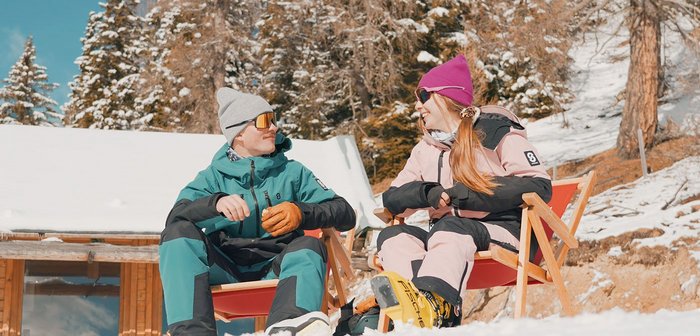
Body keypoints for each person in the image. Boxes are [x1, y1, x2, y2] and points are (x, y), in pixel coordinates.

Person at [370, 54, 552, 328]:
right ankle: (420, 309)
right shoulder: (426, 148)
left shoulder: (497, 132)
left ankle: (436, 305)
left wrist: (461, 195)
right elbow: (392, 197)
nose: (417, 105)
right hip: (448, 242)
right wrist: (427, 192)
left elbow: (537, 185)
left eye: (423, 95)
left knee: (453, 227)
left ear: (446, 97)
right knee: (394, 235)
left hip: (504, 233)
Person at [159, 88, 356, 335]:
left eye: (273, 120)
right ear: (238, 133)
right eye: (263, 121)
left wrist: (300, 212)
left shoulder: (292, 173)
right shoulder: (211, 178)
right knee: (178, 236)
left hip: (278, 268)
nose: (273, 127)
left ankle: (288, 328)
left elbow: (345, 213)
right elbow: (175, 219)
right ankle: (191, 332)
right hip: (225, 269)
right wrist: (214, 203)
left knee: (309, 246)